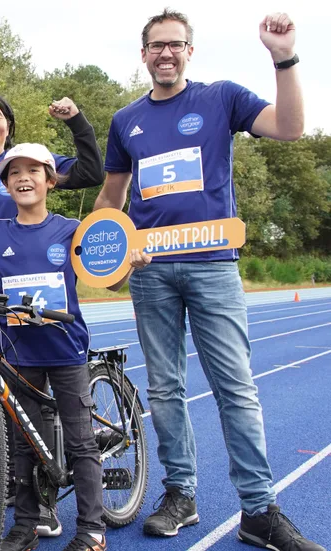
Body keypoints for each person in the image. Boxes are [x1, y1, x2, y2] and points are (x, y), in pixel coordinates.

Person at [96, 9, 325, 550]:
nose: (166, 53)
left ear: (189, 52)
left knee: (235, 389)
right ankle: (181, 494)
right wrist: (107, 253)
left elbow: (290, 128)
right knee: (164, 389)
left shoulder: (222, 97)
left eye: (176, 44)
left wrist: (283, 57)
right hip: (150, 273)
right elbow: (111, 198)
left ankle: (259, 509)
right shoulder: (126, 120)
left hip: (213, 266)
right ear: (144, 54)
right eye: (157, 45)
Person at [0, 143, 120, 551]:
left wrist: (131, 264)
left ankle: (92, 529)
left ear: (50, 181)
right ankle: (26, 524)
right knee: (22, 443)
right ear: (5, 185)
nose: (23, 178)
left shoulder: (71, 230)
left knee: (80, 440)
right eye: (14, 172)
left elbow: (111, 277)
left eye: (33, 171)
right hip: (18, 353)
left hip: (65, 350)